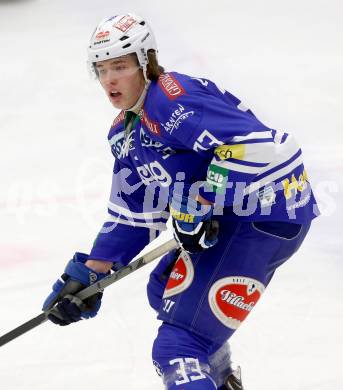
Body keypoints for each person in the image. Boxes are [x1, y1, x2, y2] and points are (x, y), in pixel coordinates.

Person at [42, 13, 319, 390]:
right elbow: (136, 212)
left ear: (145, 62)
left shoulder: (171, 102)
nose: (109, 79)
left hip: (263, 215)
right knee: (163, 288)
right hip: (237, 219)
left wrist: (202, 199)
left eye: (120, 66)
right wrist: (91, 271)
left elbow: (270, 149)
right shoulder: (126, 131)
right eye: (101, 69)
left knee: (179, 348)